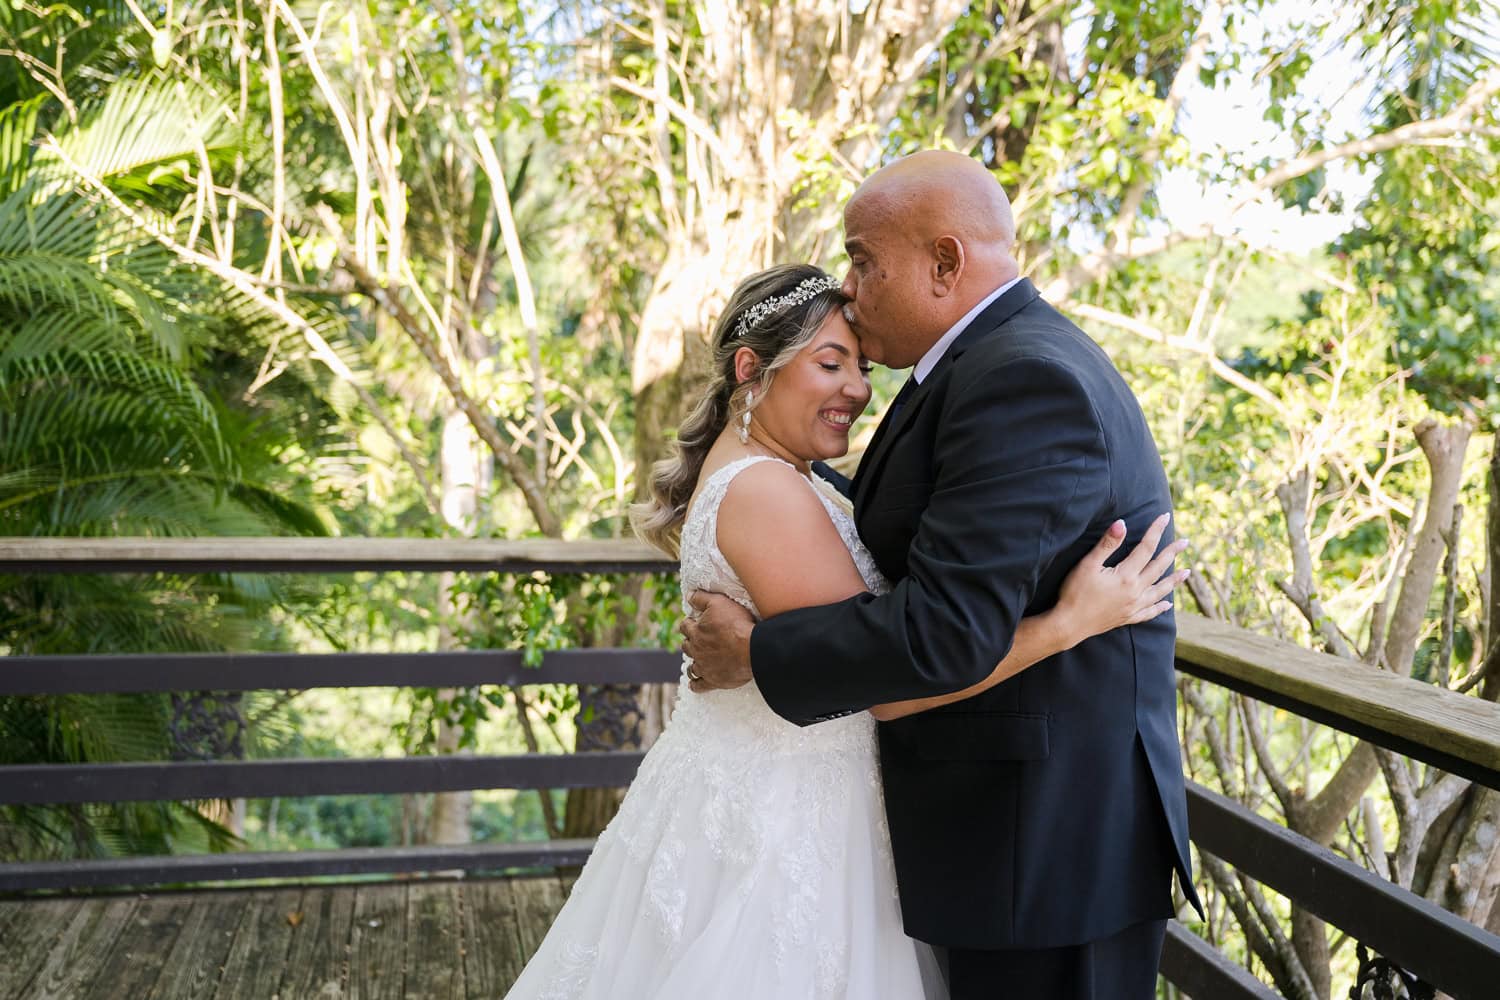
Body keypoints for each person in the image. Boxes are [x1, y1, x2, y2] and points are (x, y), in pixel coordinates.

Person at [503, 261, 1187, 1000]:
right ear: (750, 371)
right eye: (830, 364)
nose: (857, 390)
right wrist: (1069, 622)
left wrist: (755, 654)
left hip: (775, 793)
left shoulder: (774, 475)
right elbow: (891, 686)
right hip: (788, 820)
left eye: (859, 367)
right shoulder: (767, 491)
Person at [683, 151, 1205, 1000]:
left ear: (946, 263)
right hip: (989, 840)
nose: (849, 287)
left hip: (1043, 854)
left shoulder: (1023, 379)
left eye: (862, 259)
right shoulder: (972, 370)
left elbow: (942, 635)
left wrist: (760, 651)